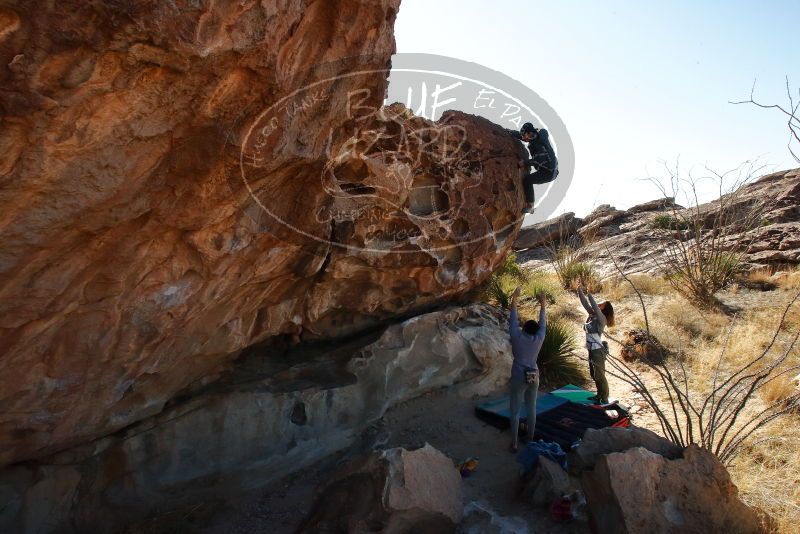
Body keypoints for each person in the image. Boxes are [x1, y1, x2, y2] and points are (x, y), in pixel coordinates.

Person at [508, 287, 547, 452]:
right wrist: (543, 304)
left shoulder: (516, 336)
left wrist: (515, 299)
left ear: (523, 329)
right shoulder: (539, 338)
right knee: (531, 407)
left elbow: (513, 318)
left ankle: (515, 443)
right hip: (534, 374)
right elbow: (543, 321)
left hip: (518, 374)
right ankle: (530, 438)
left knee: (515, 409)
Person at [507, 122, 559, 213]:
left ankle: (530, 206)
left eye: (524, 135)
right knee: (528, 180)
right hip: (550, 169)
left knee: (528, 180)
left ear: (529, 133)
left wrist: (525, 163)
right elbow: (523, 136)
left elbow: (539, 160)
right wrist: (511, 132)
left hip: (549, 172)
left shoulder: (538, 144)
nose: (523, 138)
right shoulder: (536, 135)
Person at [577, 286, 615, 404]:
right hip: (591, 349)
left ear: (605, 309)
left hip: (598, 350)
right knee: (594, 374)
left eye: (601, 304)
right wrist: (579, 291)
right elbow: (585, 303)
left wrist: (589, 294)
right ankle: (599, 395)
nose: (598, 304)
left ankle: (604, 398)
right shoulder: (592, 315)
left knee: (600, 375)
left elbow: (593, 305)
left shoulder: (602, 318)